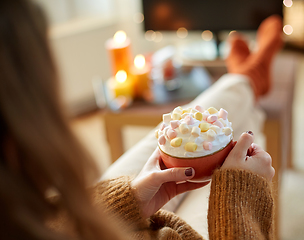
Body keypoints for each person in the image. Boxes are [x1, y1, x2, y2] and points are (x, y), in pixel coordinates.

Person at [0, 0, 282, 239]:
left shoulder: (17, 204)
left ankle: (248, 77)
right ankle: (249, 77)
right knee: (236, 143)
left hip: (91, 218)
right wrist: (242, 200)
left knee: (175, 133)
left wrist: (130, 200)